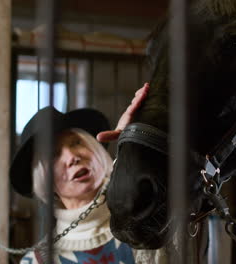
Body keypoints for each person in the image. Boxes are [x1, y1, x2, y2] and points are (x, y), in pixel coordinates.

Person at [10, 83, 167, 264]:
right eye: (53, 155)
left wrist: (137, 146)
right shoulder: (38, 261)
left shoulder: (150, 221)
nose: (72, 157)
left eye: (76, 143)